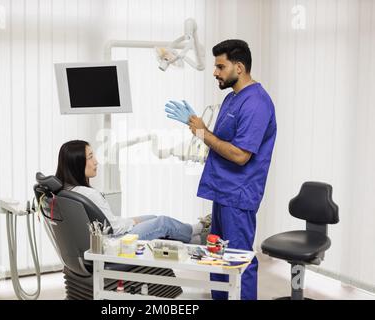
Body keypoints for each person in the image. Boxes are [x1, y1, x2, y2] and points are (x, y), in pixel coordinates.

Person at [165, 39, 277, 300]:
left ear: (239, 67)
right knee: (216, 257)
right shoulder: (231, 98)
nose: (215, 72)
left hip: (238, 195)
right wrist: (199, 126)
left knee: (239, 260)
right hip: (222, 191)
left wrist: (203, 133)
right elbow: (221, 142)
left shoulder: (256, 103)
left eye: (220, 66)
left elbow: (239, 155)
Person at [55, 140, 209, 243]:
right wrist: (133, 221)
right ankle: (199, 231)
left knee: (152, 217)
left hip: (107, 237)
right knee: (162, 223)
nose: (96, 161)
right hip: (115, 242)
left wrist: (133, 221)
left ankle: (192, 239)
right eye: (90, 157)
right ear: (77, 163)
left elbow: (107, 223)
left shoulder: (67, 191)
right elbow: (113, 228)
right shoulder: (89, 195)